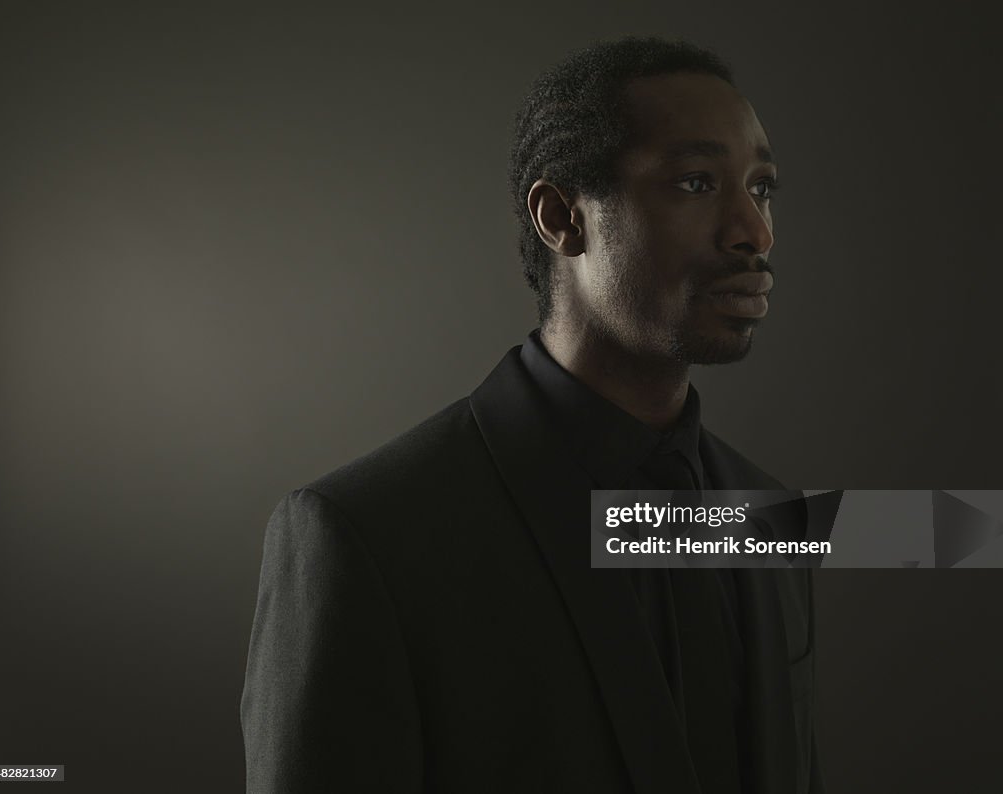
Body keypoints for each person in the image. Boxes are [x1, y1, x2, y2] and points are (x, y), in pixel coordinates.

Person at [241, 36, 823, 794]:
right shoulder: (364, 538)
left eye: (763, 188)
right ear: (562, 218)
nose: (755, 231)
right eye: (695, 182)